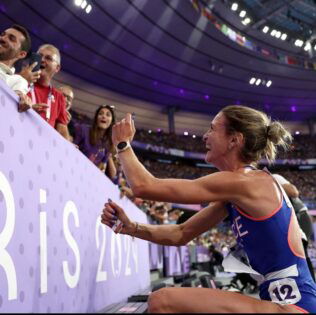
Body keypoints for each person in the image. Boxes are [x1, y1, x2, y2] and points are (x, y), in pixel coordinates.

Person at [101, 105, 316, 313]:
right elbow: (180, 233)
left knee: (163, 300)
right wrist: (131, 227)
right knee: (163, 299)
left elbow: (143, 186)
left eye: (212, 128)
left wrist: (122, 145)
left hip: (293, 306)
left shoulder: (246, 182)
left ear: (234, 139)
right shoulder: (239, 190)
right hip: (284, 303)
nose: (205, 136)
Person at [273, 173, 315, 281]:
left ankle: (311, 285)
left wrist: (270, 185)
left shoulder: (272, 178)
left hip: (299, 216)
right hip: (287, 220)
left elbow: (294, 192)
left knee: (301, 252)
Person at [27, 44, 70, 141]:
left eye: (48, 58)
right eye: (40, 55)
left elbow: (62, 130)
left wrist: (69, 148)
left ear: (57, 68)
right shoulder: (21, 81)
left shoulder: (59, 97)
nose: (42, 60)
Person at [74, 105, 117, 181]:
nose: (104, 116)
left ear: (111, 122)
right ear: (96, 118)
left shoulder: (109, 144)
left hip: (88, 179)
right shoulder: (83, 129)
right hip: (74, 171)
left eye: (108, 115)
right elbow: (72, 148)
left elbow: (102, 168)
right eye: (101, 114)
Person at [0, 24, 33, 111]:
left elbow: (18, 96)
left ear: (21, 54)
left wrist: (22, 98)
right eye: (2, 34)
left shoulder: (18, 81)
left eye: (11, 39)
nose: (2, 38)